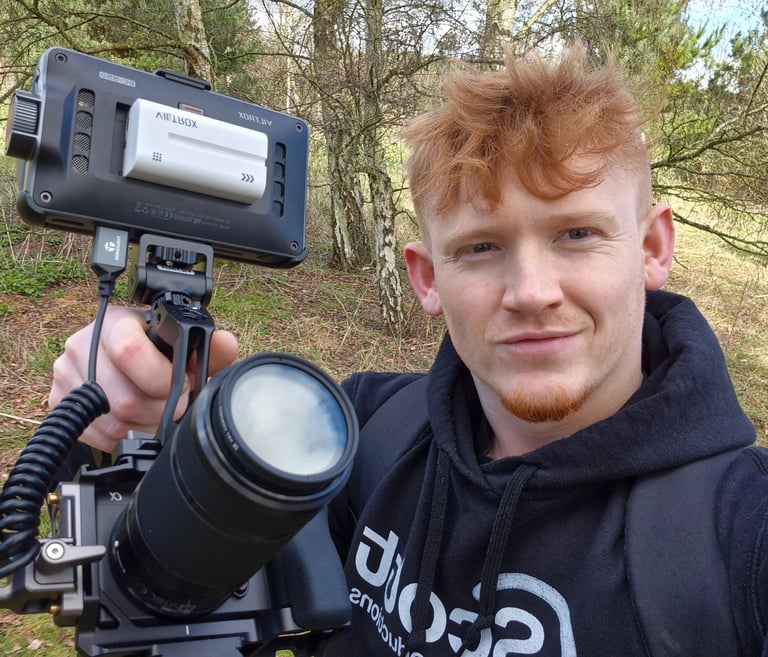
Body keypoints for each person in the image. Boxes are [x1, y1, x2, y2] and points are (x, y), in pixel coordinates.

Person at [49, 42, 766, 656]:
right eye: (480, 247)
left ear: (652, 246)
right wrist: (116, 418)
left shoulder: (737, 535)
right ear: (427, 279)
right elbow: (154, 587)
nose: (531, 292)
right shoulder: (353, 434)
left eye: (576, 234)